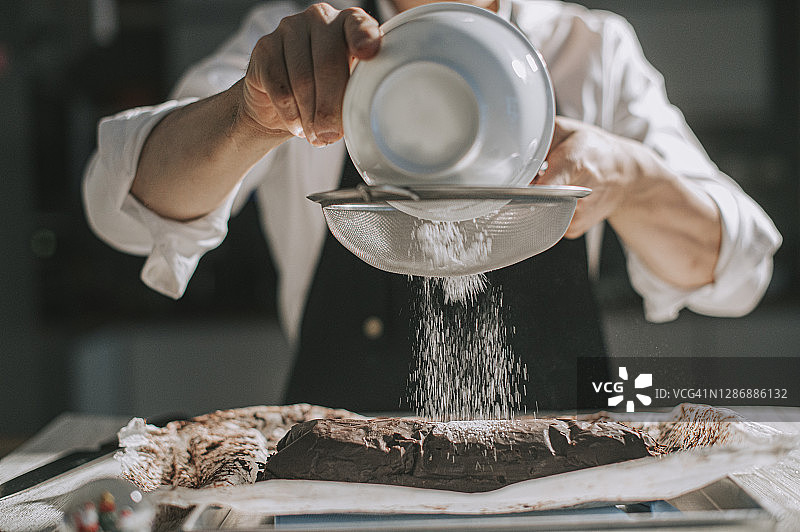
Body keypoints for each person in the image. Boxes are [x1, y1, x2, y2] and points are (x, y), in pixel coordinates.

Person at [82, 0, 781, 413]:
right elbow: (121, 212)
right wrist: (251, 114)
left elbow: (740, 270)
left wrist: (633, 177)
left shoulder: (590, 49)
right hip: (334, 476)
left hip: (569, 471)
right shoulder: (301, 40)